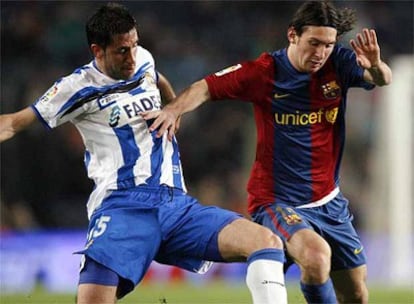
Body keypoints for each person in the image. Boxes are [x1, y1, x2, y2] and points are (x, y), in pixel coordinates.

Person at [0, 3, 289, 304]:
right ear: (98, 51)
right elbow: (14, 123)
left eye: (135, 45)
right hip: (123, 207)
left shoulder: (143, 60)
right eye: (122, 51)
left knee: (264, 241)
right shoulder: (76, 88)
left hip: (176, 205)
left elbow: (156, 77)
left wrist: (173, 108)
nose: (132, 57)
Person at [141, 1, 392, 303]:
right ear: (292, 35)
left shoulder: (337, 63)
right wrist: (172, 110)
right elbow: (206, 87)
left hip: (328, 201)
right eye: (313, 43)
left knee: (356, 294)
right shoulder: (265, 71)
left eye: (327, 44)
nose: (320, 53)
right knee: (315, 256)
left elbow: (382, 79)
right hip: (277, 201)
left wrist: (376, 65)